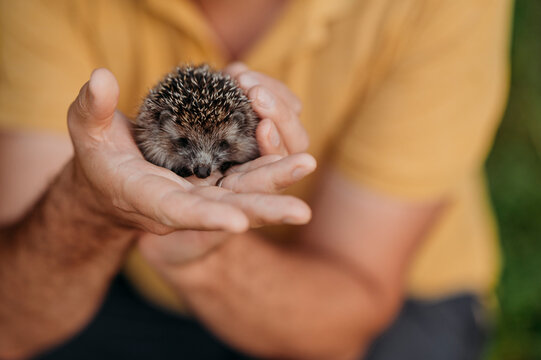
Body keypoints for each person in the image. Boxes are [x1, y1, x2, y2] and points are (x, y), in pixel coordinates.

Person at [0, 0, 512, 359]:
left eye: (220, 151)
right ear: (155, 130)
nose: (201, 167)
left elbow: (342, 332)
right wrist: (89, 205)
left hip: (393, 293)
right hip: (131, 278)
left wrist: (203, 249)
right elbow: (10, 324)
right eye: (184, 149)